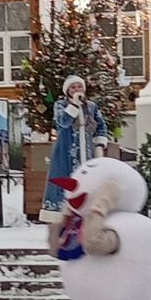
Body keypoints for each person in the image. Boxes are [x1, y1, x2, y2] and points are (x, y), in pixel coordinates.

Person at [43, 77, 104, 218]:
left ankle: (86, 210)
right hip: (66, 149)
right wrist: (74, 106)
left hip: (87, 149)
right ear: (68, 91)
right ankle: (62, 212)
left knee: (87, 179)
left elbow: (101, 125)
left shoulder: (91, 106)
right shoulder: (60, 105)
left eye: (79, 87)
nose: (77, 90)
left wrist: (100, 144)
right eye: (73, 87)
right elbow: (63, 122)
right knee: (66, 179)